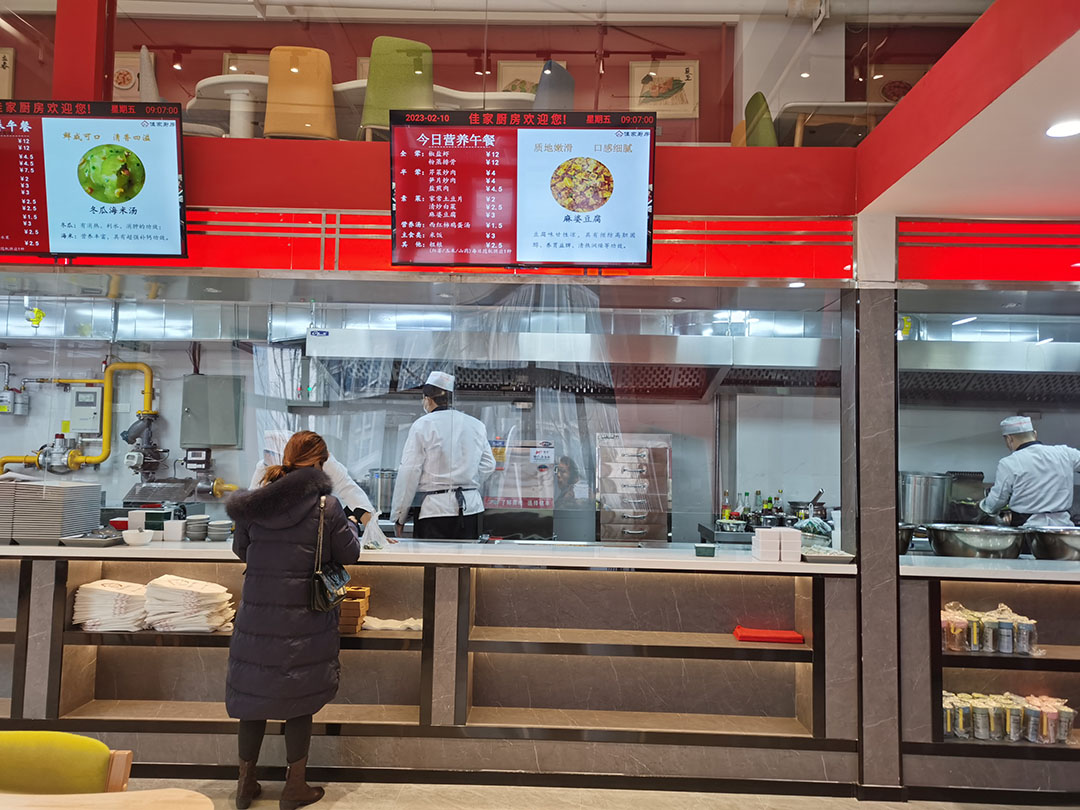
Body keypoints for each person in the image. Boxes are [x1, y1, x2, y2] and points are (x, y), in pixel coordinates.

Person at [225, 430, 360, 810]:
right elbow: (349, 554)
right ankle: (294, 787)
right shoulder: (326, 506)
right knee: (299, 698)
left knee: (252, 697)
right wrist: (352, 525)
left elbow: (241, 550)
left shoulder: (254, 503)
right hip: (304, 617)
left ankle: (245, 785)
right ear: (319, 462)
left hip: (257, 615)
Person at [391, 371, 496, 540]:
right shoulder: (476, 425)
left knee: (434, 556)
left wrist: (399, 516)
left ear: (428, 399)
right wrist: (467, 480)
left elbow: (409, 473)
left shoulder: (423, 425)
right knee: (467, 556)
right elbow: (489, 465)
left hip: (434, 510)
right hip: (471, 508)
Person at [251, 430, 374, 525]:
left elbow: (351, 493)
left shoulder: (326, 463)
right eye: (267, 453)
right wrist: (352, 524)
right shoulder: (265, 467)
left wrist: (373, 531)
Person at [979, 416, 1080, 527]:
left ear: (1009, 439)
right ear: (1035, 434)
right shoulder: (1066, 453)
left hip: (1027, 529)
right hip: (1063, 528)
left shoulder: (1009, 463)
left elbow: (997, 500)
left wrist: (983, 506)